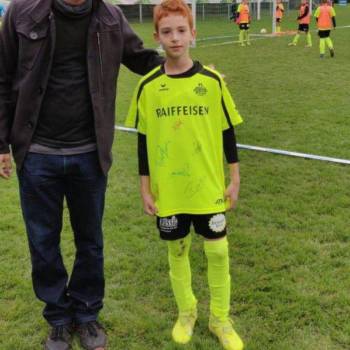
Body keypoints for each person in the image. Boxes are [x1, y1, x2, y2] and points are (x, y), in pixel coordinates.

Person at [0, 0, 163, 349]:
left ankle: (87, 315)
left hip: (89, 154)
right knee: (43, 244)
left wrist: (183, 66)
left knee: (90, 241)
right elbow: (2, 77)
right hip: (37, 153)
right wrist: (1, 144)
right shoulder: (21, 12)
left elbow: (142, 59)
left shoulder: (110, 17)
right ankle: (58, 317)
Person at [125, 0, 244, 349]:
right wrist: (145, 188)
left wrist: (234, 178)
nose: (174, 38)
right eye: (167, 32)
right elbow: (143, 142)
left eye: (181, 30)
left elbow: (228, 133)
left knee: (218, 252)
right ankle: (186, 311)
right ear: (157, 37)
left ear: (193, 33)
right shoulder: (148, 86)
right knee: (177, 251)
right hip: (170, 190)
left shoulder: (212, 82)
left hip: (208, 185)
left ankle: (220, 319)